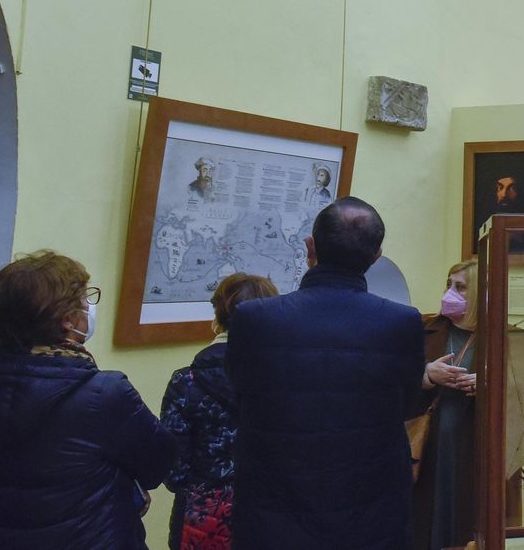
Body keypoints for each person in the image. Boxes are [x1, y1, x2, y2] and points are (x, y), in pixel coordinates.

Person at [226, 197, 445, 550]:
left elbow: (239, 395)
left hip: (274, 505)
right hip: (371, 510)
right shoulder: (401, 322)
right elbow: (405, 404)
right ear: (376, 257)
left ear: (310, 246)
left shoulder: (253, 319)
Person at [0, 250, 176, 548]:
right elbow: (158, 464)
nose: (89, 307)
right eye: (85, 299)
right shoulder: (104, 393)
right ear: (67, 320)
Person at [161, 273, 280, 550]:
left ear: (218, 315)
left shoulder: (186, 382)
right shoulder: (286, 382)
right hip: (269, 515)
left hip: (200, 519)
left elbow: (174, 471)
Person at [411, 260, 480, 550]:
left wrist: (487, 384)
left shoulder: (505, 335)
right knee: (424, 522)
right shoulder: (424, 327)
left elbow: (519, 390)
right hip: (429, 443)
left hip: (474, 447)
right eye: (449, 285)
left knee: (468, 523)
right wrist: (427, 374)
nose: (450, 293)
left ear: (478, 293)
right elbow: (397, 381)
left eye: (461, 287)